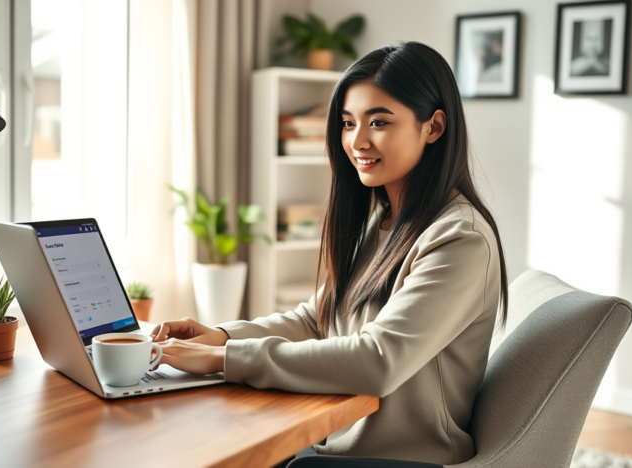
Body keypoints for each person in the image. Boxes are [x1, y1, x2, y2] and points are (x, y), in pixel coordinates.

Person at [151, 42, 509, 466]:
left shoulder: (460, 238)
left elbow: (378, 360)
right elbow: (315, 319)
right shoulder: (385, 222)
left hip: (403, 460)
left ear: (432, 127)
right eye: (347, 122)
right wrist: (222, 336)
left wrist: (224, 360)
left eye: (379, 122)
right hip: (335, 441)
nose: (356, 140)